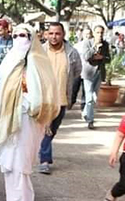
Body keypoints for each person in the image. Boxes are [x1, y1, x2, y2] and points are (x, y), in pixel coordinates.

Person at [0, 24, 59, 201]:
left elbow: (48, 92)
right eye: (16, 35)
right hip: (8, 118)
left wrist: (29, 102)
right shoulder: (9, 61)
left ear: (33, 38)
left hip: (30, 119)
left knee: (21, 161)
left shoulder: (40, 62)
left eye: (25, 35)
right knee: (10, 160)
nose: (20, 39)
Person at [38, 23, 82, 175]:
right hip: (42, 98)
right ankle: (44, 160)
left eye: (57, 33)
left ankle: (43, 155)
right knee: (44, 130)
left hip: (61, 99)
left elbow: (77, 73)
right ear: (46, 35)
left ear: (63, 35)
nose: (54, 37)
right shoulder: (40, 51)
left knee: (52, 130)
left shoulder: (72, 53)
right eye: (51, 33)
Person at [80, 25, 111, 129]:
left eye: (101, 32)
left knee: (94, 97)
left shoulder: (105, 44)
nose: (100, 35)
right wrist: (94, 47)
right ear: (93, 33)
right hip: (88, 73)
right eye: (97, 32)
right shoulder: (87, 42)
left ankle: (85, 113)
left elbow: (108, 59)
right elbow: (86, 56)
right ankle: (90, 120)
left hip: (99, 72)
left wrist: (102, 57)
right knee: (89, 98)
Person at [70, 28, 93, 109]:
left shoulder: (93, 46)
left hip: (88, 72)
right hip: (78, 71)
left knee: (85, 91)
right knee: (74, 88)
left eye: (89, 33)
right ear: (83, 35)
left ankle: (83, 107)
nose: (87, 35)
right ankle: (71, 102)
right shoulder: (77, 46)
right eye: (86, 34)